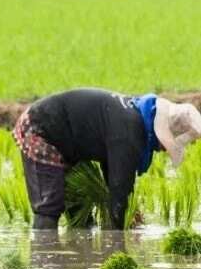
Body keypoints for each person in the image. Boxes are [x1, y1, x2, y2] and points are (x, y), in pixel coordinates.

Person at [13, 88, 201, 230]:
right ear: (161, 133)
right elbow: (120, 189)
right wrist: (120, 234)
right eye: (166, 145)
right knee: (49, 206)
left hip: (68, 139)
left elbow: (114, 173)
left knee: (81, 211)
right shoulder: (129, 133)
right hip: (40, 129)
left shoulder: (135, 115)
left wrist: (127, 213)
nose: (162, 150)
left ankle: (74, 260)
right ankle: (44, 267)